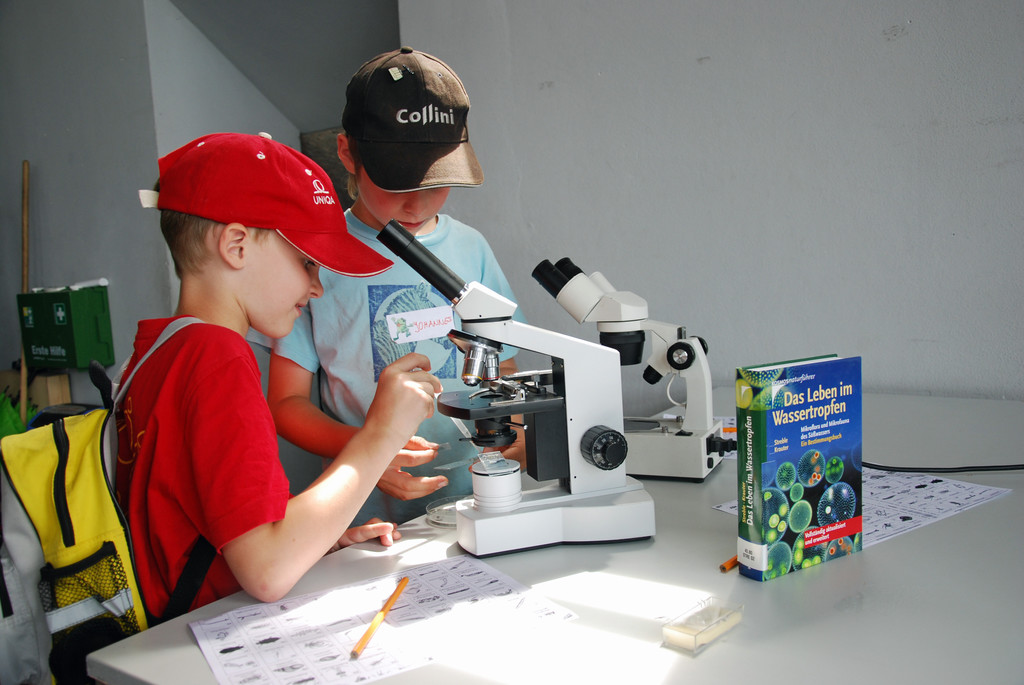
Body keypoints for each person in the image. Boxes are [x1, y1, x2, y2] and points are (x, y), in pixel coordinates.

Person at [117, 131, 442, 617]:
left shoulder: (158, 350)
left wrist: (316, 537)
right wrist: (381, 434)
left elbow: (214, 521)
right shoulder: (219, 358)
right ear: (236, 246)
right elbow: (266, 571)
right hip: (206, 633)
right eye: (307, 262)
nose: (317, 287)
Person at [266, 47, 526, 525]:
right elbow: (285, 403)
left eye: (435, 184)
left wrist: (517, 432)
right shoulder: (315, 261)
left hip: (477, 500)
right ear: (348, 153)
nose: (417, 205)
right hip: (368, 519)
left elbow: (504, 364)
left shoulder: (471, 248)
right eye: (398, 184)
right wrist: (368, 449)